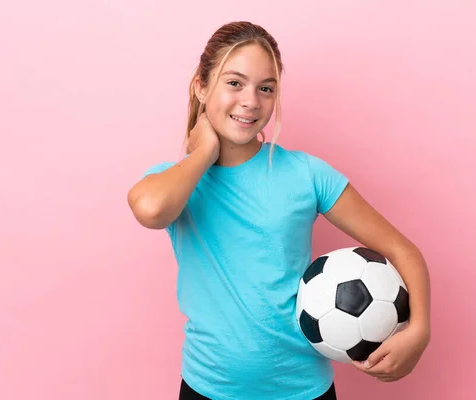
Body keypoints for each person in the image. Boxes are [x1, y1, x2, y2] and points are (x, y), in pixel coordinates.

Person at [127, 21, 431, 400]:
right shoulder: (175, 182)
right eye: (234, 83)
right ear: (201, 86)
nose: (251, 101)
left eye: (266, 88)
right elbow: (152, 210)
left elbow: (403, 251)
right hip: (208, 388)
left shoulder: (306, 174)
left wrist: (418, 331)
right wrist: (203, 152)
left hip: (302, 390)